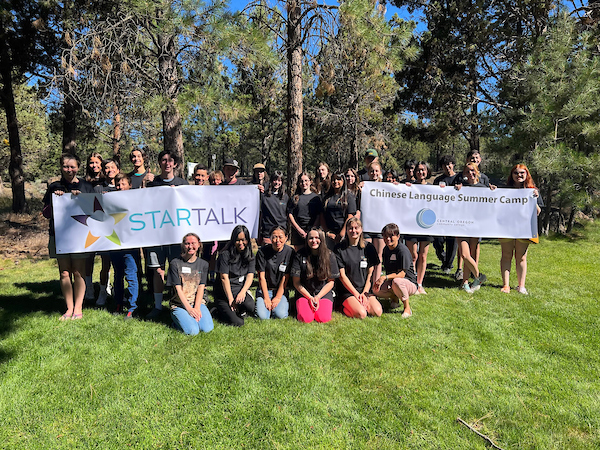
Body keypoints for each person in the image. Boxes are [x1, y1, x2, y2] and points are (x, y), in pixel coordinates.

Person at [43, 153, 95, 320]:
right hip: (59, 235)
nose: (69, 170)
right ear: (61, 167)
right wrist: (55, 201)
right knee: (64, 273)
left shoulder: (86, 186)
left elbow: (96, 211)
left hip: (81, 235)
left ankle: (78, 308)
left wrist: (81, 200)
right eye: (66, 166)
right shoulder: (54, 186)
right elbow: (46, 213)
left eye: (72, 166)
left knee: (78, 272)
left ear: (78, 168)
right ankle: (69, 308)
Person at [145, 150, 189, 319]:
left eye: (170, 160)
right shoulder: (152, 184)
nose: (167, 163)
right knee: (158, 271)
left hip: (176, 235)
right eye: (163, 160)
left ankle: (179, 303)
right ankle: (157, 306)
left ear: (175, 164)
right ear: (159, 163)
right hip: (156, 235)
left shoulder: (182, 183)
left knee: (178, 270)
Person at [499, 164, 542, 295]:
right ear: (511, 175)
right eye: (516, 173)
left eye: (522, 173)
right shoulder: (504, 190)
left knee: (521, 257)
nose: (519, 175)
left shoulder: (532, 190)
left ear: (527, 174)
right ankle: (506, 285)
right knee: (506, 256)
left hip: (524, 228)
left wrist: (534, 199)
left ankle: (521, 286)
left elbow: (538, 212)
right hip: (506, 227)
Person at [454, 162, 496, 293]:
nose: (470, 173)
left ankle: (465, 282)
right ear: (464, 174)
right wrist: (455, 190)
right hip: (460, 224)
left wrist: (493, 191)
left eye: (472, 170)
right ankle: (479, 276)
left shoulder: (484, 188)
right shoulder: (460, 187)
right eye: (467, 171)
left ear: (477, 172)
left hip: (477, 225)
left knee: (471, 254)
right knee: (465, 254)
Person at [167, 233, 214, 334]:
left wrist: (196, 308)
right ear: (183, 245)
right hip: (180, 304)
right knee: (193, 331)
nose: (190, 246)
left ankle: (189, 319)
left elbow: (201, 288)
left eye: (193, 243)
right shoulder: (175, 263)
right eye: (187, 243)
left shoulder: (203, 264)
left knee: (207, 329)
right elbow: (178, 289)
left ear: (199, 245)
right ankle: (176, 321)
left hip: (197, 302)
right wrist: (189, 309)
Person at [335, 218, 382, 319]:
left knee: (377, 312)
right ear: (346, 230)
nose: (353, 231)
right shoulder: (339, 248)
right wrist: (356, 294)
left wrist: (364, 293)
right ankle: (341, 306)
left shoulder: (369, 247)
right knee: (361, 314)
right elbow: (342, 276)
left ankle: (358, 304)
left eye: (356, 228)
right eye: (350, 228)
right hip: (347, 290)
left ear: (361, 229)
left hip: (364, 289)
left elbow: (370, 274)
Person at [291, 227, 340, 323]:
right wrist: (310, 298)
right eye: (310, 238)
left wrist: (318, 297)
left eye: (317, 238)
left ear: (322, 239)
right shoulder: (300, 255)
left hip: (323, 293)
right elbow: (296, 283)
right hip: (304, 293)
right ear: (307, 240)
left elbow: (331, 282)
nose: (314, 241)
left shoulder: (330, 255)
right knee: (306, 319)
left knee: (323, 318)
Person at [109, 174, 141, 319]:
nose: (120, 187)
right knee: (118, 276)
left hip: (131, 247)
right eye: (118, 184)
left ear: (130, 186)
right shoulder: (109, 201)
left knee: (131, 276)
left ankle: (132, 307)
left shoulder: (136, 200)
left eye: (123, 184)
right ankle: (118, 302)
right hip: (115, 244)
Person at [373, 223, 417, 318]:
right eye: (385, 236)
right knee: (375, 289)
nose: (388, 239)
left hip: (409, 282)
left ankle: (407, 309)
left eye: (391, 236)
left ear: (398, 236)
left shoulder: (402, 250)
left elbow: (402, 274)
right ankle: (394, 298)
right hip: (394, 281)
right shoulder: (386, 250)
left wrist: (384, 277)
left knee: (397, 281)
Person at [214, 225, 256, 326]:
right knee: (238, 322)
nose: (240, 243)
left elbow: (250, 275)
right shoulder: (225, 255)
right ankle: (216, 310)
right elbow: (224, 278)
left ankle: (240, 306)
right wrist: (231, 299)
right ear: (233, 240)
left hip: (239, 288)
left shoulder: (250, 254)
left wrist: (243, 292)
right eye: (237, 240)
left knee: (252, 308)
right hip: (224, 292)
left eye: (243, 240)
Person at [93, 158, 121, 306]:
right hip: (105, 232)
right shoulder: (98, 188)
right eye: (107, 168)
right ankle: (103, 292)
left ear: (118, 169)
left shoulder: (122, 186)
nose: (110, 170)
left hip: (121, 232)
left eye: (112, 167)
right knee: (105, 264)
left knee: (120, 266)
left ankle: (118, 291)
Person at [403, 161, 434, 294]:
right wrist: (403, 188)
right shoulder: (410, 186)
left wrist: (444, 189)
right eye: (418, 170)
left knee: (423, 256)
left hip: (427, 224)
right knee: (413, 256)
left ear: (427, 171)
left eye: (423, 170)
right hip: (411, 224)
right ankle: (411, 281)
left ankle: (420, 284)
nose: (421, 172)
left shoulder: (434, 188)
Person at [255, 226, 294, 320]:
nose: (277, 240)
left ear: (286, 237)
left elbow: (286, 277)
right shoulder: (262, 252)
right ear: (270, 238)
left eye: (280, 237)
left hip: (281, 290)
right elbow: (261, 277)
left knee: (280, 315)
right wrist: (266, 298)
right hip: (265, 289)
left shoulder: (290, 252)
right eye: (274, 237)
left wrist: (278, 297)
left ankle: (280, 304)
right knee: (263, 317)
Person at [432, 155, 458, 274]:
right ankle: (443, 258)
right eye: (444, 165)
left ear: (453, 164)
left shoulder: (459, 178)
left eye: (449, 164)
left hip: (455, 215)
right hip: (440, 214)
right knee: (437, 241)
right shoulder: (438, 180)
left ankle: (448, 265)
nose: (447, 167)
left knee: (452, 242)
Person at [321, 170, 357, 249]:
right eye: (333, 179)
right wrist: (327, 232)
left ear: (343, 181)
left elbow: (350, 216)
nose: (335, 181)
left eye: (338, 179)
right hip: (330, 234)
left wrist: (342, 233)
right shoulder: (327, 197)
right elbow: (322, 215)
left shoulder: (349, 197)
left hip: (345, 234)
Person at [288, 172, 323, 249]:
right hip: (298, 233)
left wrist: (312, 230)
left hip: (312, 232)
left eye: (306, 180)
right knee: (299, 256)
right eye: (301, 181)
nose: (304, 183)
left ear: (310, 182)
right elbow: (290, 215)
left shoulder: (316, 198)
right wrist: (299, 230)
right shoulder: (294, 198)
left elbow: (319, 215)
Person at [259, 171, 289, 245]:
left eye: (279, 180)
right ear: (271, 181)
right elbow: (260, 215)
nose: (277, 182)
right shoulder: (264, 197)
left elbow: (288, 215)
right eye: (275, 180)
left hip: (282, 232)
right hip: (268, 233)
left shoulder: (285, 197)